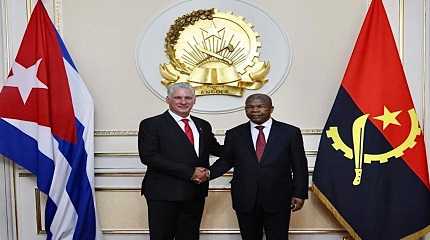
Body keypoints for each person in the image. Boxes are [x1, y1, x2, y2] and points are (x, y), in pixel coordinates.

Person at [210, 93, 308, 240]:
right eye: (250, 107)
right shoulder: (234, 133)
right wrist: (206, 174)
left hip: (279, 198)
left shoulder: (290, 132)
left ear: (271, 109)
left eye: (260, 106)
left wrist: (300, 193)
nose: (254, 110)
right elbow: (226, 161)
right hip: (245, 198)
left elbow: (299, 165)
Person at [138, 82, 222, 240]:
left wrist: (243, 142)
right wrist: (190, 172)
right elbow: (149, 156)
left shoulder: (203, 125)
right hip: (163, 194)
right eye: (178, 98)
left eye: (188, 98)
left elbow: (217, 150)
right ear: (167, 99)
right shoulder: (151, 124)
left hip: (195, 194)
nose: (183, 102)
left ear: (194, 100)